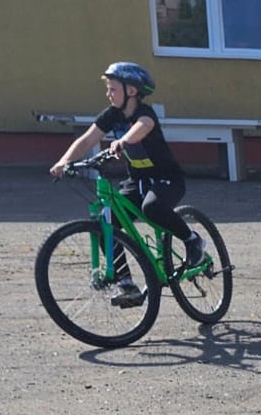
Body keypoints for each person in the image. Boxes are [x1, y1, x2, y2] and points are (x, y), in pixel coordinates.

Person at [49, 62, 200, 306]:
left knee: (152, 208)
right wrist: (63, 162)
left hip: (167, 179)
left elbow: (143, 127)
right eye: (108, 89)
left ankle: (192, 240)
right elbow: (87, 140)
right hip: (137, 181)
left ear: (131, 91)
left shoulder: (145, 113)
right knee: (105, 223)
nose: (108, 94)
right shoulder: (111, 115)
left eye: (113, 89)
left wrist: (124, 141)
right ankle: (127, 284)